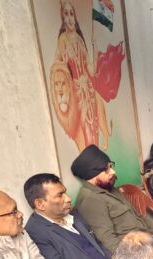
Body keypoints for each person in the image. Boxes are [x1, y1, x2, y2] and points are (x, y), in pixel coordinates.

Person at [23, 173, 120, 259]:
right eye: (60, 195)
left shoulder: (73, 215)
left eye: (65, 192)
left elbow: (98, 245)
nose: (68, 199)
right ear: (40, 204)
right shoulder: (36, 233)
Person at [50, 0, 115, 151]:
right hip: (76, 93)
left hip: (88, 90)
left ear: (75, 16)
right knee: (84, 129)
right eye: (66, 14)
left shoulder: (80, 40)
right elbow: (57, 66)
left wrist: (95, 50)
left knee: (94, 124)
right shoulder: (62, 40)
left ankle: (99, 151)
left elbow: (90, 69)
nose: (70, 18)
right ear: (63, 17)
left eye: (71, 14)